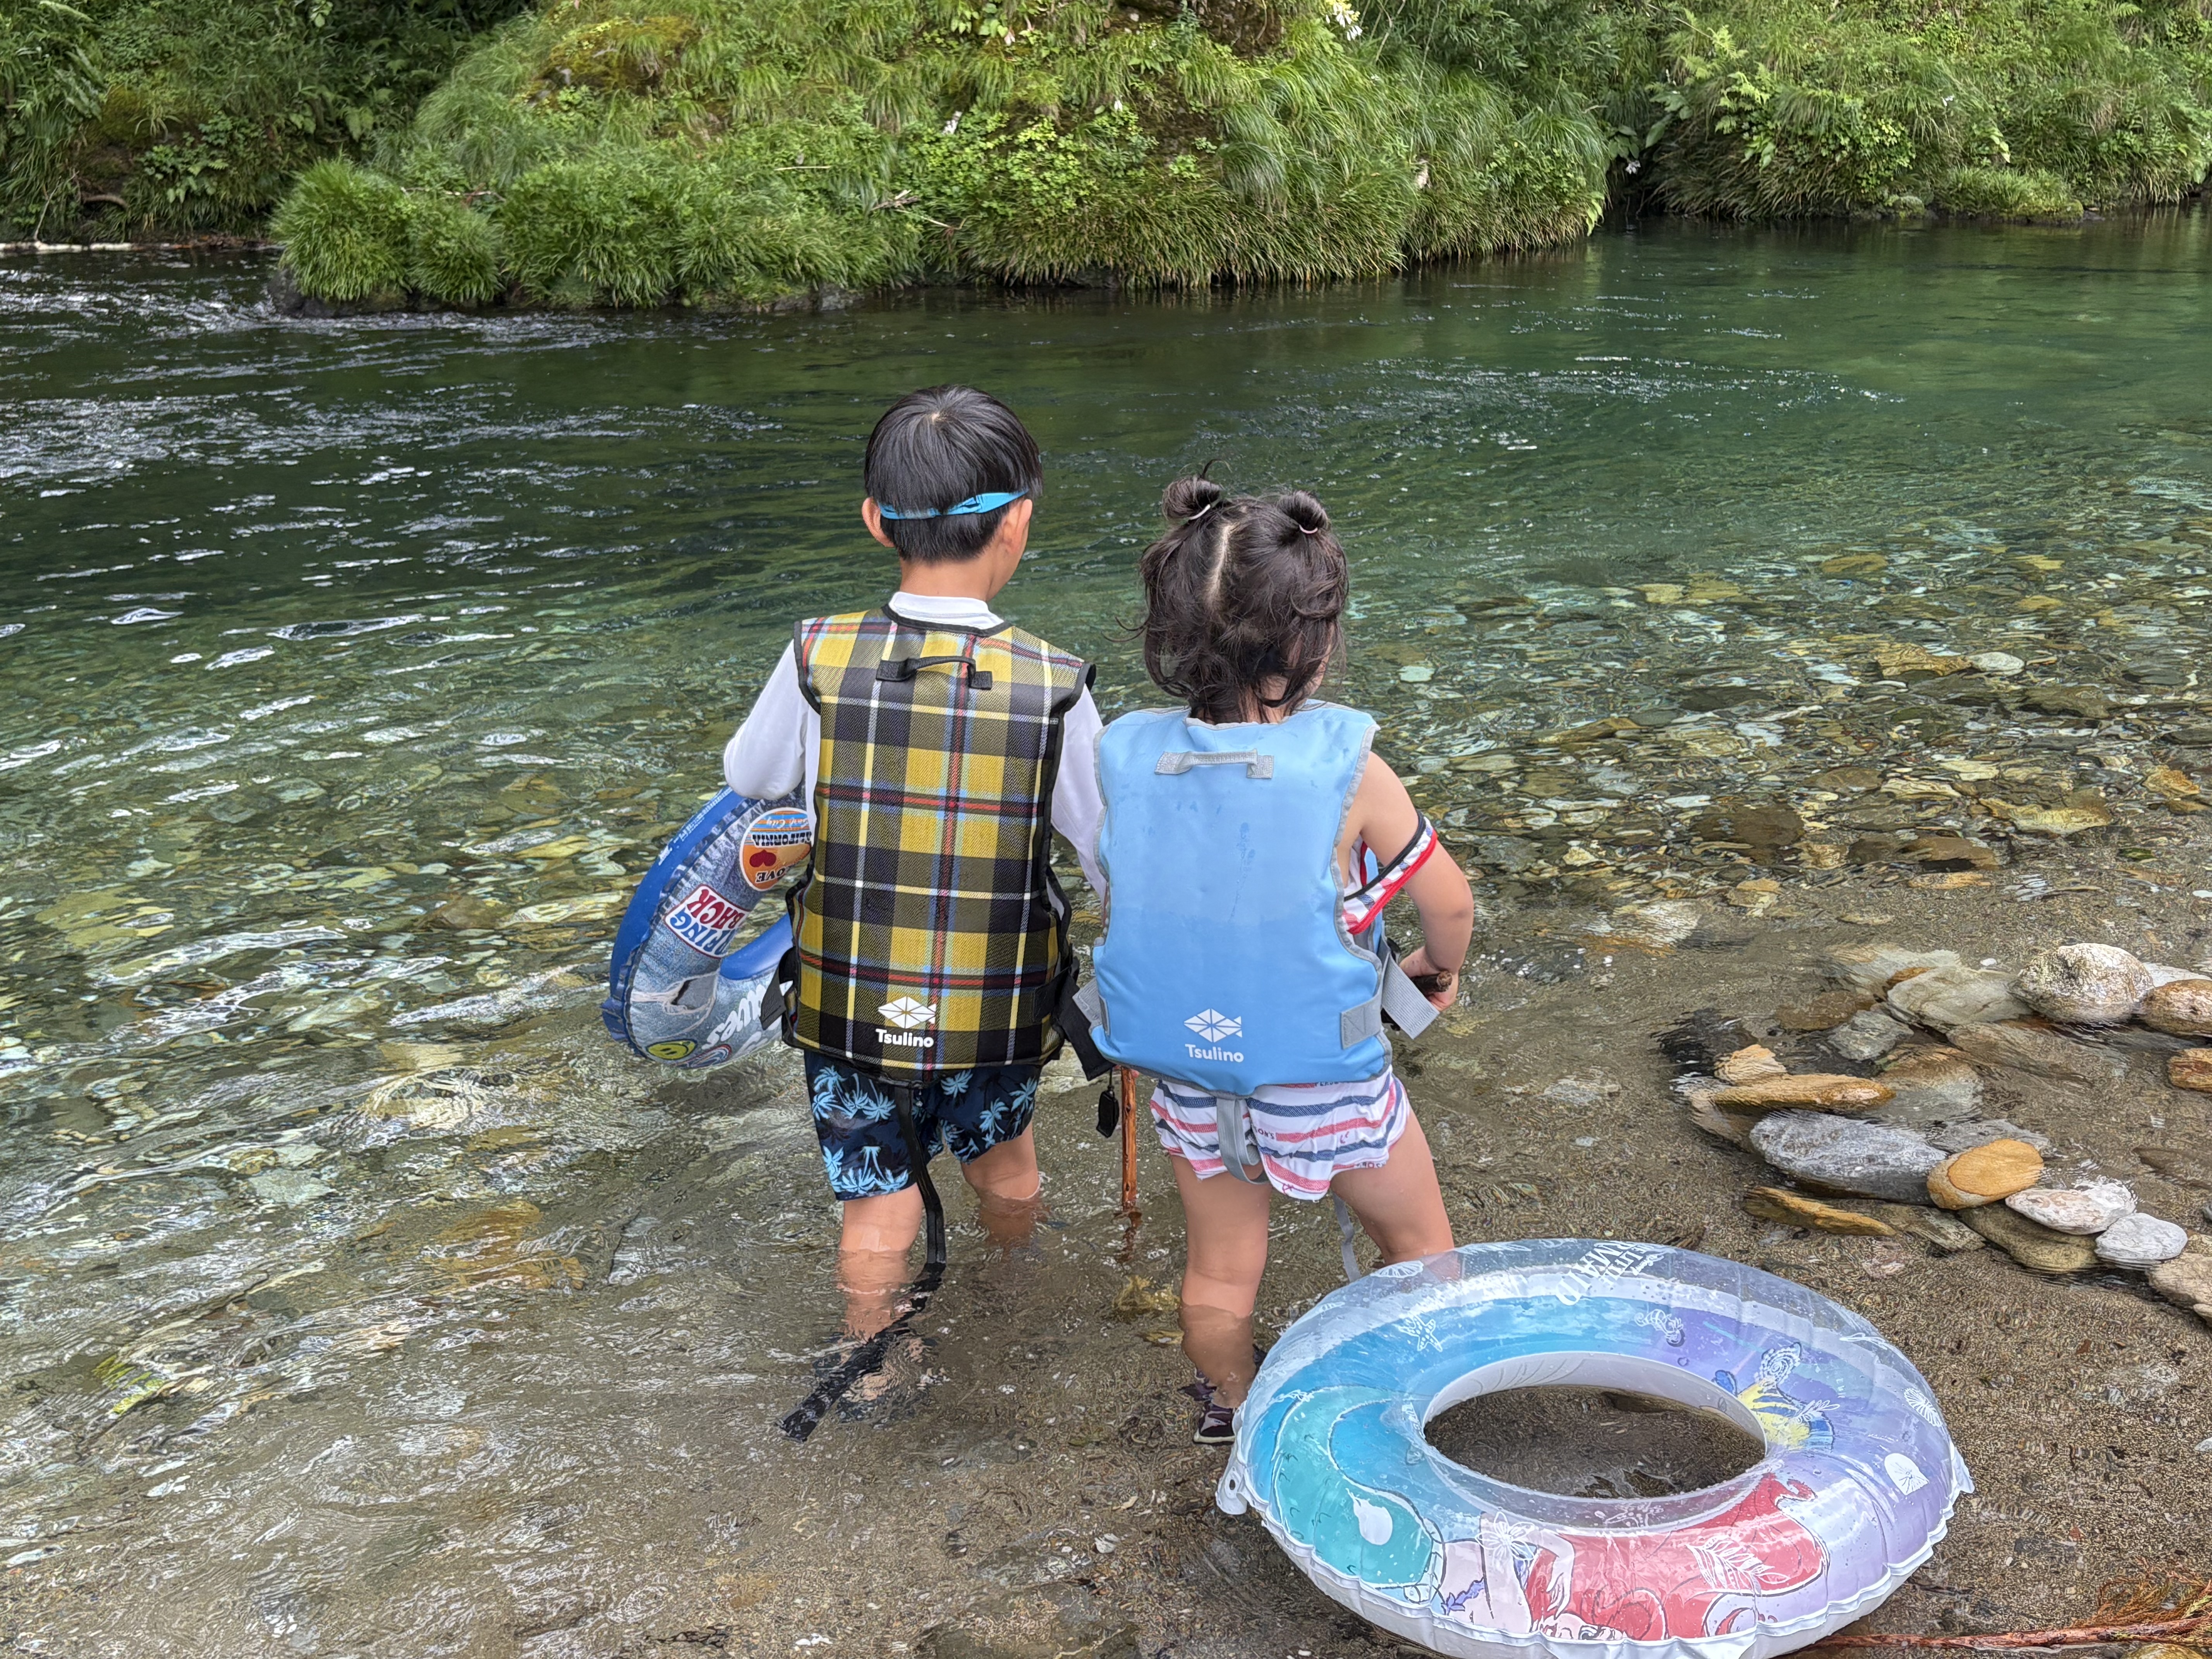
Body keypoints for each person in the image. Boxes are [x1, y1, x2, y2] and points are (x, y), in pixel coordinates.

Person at [1083, 476, 1474, 1444]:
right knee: (1421, 1246)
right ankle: (1414, 1396)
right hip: (1328, 1085)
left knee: (1219, 1272)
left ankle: (1229, 1405)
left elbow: (1125, 897)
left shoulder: (1128, 756)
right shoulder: (1353, 769)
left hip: (1192, 1080)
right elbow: (1450, 901)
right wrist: (1434, 967)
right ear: (1316, 642)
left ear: (1171, 634)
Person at [722, 385, 1106, 1352]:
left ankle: (871, 1364)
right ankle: (1017, 1308)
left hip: (850, 1002)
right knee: (1007, 1166)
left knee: (877, 1203)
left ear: (874, 521)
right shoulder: (1057, 686)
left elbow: (751, 776)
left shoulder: (817, 654)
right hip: (995, 1008)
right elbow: (1107, 857)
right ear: (1018, 521)